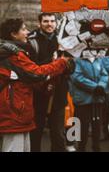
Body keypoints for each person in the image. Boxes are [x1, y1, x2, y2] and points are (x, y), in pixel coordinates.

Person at [0, 18, 71, 152]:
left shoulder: (11, 52)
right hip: (15, 112)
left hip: (19, 110)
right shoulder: (14, 55)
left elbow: (24, 78)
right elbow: (36, 73)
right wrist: (61, 62)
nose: (27, 32)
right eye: (24, 29)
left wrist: (43, 86)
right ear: (14, 34)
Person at [28, 12, 69, 152]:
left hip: (58, 93)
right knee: (35, 134)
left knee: (58, 135)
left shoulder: (65, 38)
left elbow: (72, 65)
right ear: (39, 23)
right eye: (46, 21)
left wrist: (63, 65)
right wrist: (53, 64)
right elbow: (31, 67)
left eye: (52, 21)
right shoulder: (31, 40)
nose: (49, 24)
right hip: (37, 94)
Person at [69, 52, 109, 152]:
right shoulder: (77, 59)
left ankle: (96, 148)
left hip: (97, 99)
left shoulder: (98, 58)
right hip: (83, 100)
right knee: (83, 127)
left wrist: (101, 86)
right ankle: (81, 148)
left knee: (97, 126)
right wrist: (95, 87)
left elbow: (105, 74)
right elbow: (77, 77)